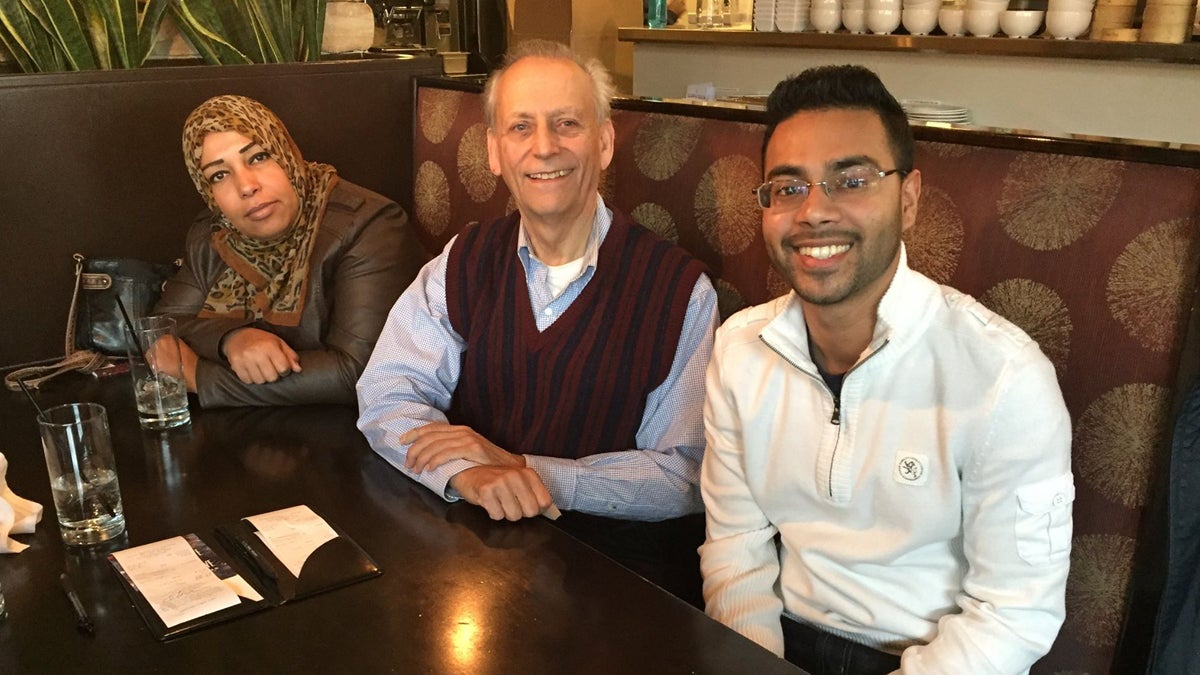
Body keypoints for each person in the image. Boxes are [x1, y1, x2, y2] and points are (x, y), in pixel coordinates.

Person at [700, 65, 1073, 674]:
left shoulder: (1003, 377)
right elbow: (735, 547)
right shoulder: (740, 349)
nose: (814, 213)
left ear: (908, 200)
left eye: (851, 180)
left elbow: (1014, 612)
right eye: (788, 188)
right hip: (775, 640)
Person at [357, 40, 719, 606]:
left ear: (603, 142)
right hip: (468, 565)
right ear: (494, 151)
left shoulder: (679, 291)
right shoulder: (464, 260)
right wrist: (465, 474)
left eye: (566, 124)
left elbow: (683, 476)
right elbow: (386, 390)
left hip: (614, 587)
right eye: (520, 128)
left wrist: (527, 471)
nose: (543, 148)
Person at [155, 94, 424, 408]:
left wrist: (200, 378)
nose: (246, 186)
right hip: (245, 436)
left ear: (286, 153)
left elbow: (359, 373)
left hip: (352, 437)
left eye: (257, 157)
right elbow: (162, 328)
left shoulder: (370, 225)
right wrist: (232, 338)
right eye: (219, 174)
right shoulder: (214, 233)